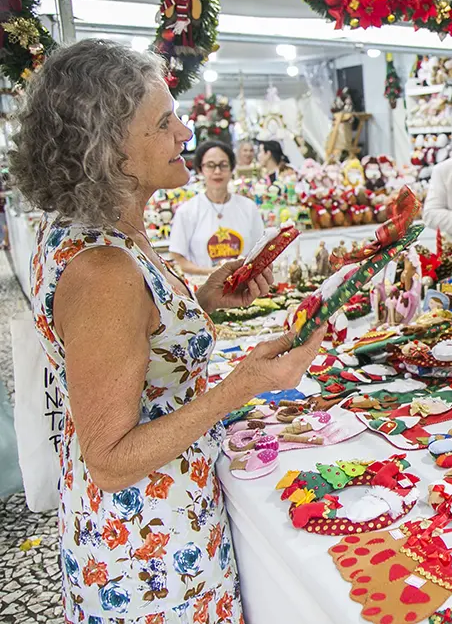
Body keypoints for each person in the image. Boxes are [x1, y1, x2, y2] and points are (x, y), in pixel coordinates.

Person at [9, 39, 325, 623]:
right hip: (149, 556)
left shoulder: (100, 233)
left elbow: (134, 343)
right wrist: (244, 384)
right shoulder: (104, 269)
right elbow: (109, 457)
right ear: (111, 154)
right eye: (165, 121)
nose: (186, 132)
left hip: (152, 532)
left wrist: (200, 303)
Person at [168, 140, 265, 276]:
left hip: (243, 288)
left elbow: (260, 252)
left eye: (223, 165)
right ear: (200, 170)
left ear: (232, 169)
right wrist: (213, 273)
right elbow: (177, 258)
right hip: (202, 288)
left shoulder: (249, 208)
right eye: (210, 165)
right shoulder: (187, 211)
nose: (217, 171)